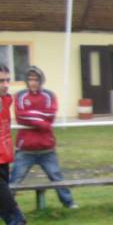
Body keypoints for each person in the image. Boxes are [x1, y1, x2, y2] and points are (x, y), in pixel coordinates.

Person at [0, 65, 55, 225]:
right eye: (1, 81)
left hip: (3, 165)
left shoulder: (6, 101)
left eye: (7, 80)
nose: (6, 85)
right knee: (16, 219)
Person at [11, 66, 76, 209]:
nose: (33, 82)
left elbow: (50, 115)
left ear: (41, 81)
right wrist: (42, 122)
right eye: (30, 79)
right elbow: (20, 116)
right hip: (25, 149)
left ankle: (69, 203)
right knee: (15, 180)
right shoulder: (20, 96)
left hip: (47, 148)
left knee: (57, 177)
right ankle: (6, 207)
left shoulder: (49, 95)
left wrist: (32, 116)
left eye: (36, 79)